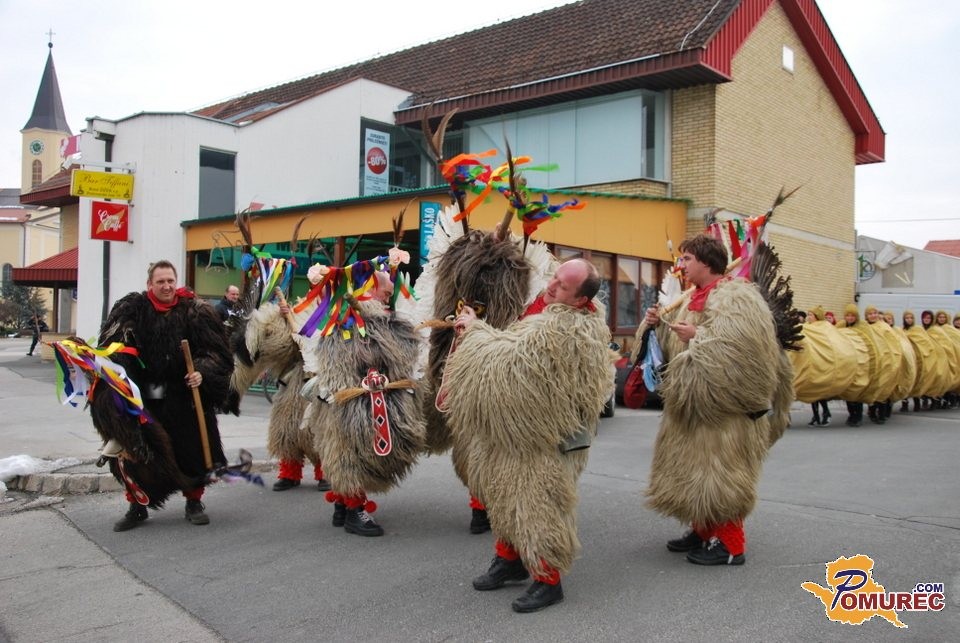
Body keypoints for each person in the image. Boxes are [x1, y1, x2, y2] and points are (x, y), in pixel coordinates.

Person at [445, 257, 613, 613]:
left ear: (581, 300)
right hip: (521, 438)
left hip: (544, 443)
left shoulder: (566, 330)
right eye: (555, 277)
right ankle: (510, 560)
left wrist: (475, 332)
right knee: (505, 498)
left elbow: (510, 364)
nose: (551, 286)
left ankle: (548, 579)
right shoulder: (549, 312)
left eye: (562, 286)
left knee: (539, 506)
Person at [643, 235, 793, 568]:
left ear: (706, 262)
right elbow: (674, 346)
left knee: (722, 475)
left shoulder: (738, 297)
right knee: (695, 472)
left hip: (727, 410)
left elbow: (745, 347)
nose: (681, 265)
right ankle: (702, 529)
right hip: (693, 406)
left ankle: (731, 545)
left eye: (687, 259)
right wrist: (656, 326)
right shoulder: (688, 298)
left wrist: (697, 335)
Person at [93, 260, 234, 531]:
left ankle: (194, 501)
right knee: (136, 453)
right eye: (161, 282)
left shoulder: (195, 312)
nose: (167, 286)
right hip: (145, 396)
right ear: (150, 284)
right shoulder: (133, 310)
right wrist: (123, 379)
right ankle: (137, 506)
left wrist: (202, 372)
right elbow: (115, 348)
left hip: (185, 396)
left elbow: (216, 352)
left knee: (192, 450)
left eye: (170, 280)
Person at [805, 307, 831, 426]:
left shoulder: (823, 327)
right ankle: (815, 416)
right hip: (810, 362)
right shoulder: (807, 327)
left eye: (811, 315)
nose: (808, 317)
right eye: (808, 314)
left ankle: (826, 413)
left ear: (817, 316)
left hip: (821, 362)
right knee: (812, 392)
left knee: (819, 392)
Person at [900, 311, 922, 412]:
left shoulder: (917, 330)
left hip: (917, 358)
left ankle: (917, 403)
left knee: (916, 382)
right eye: (907, 318)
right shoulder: (901, 331)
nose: (909, 320)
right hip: (907, 359)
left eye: (911, 318)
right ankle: (904, 404)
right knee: (906, 380)